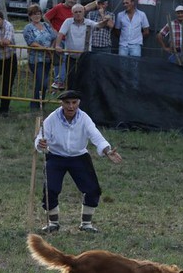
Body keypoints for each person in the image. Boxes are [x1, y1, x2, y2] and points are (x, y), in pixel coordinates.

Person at [34, 89, 122, 234]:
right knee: (50, 189)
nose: (71, 106)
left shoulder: (84, 118)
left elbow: (96, 136)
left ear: (79, 103)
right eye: (67, 103)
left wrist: (107, 151)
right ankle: (53, 223)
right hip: (56, 156)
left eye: (74, 103)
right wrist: (40, 144)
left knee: (92, 189)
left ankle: (86, 224)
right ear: (61, 103)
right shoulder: (52, 118)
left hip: (79, 156)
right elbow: (41, 137)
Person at [55, 4, 114, 89]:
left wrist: (106, 20)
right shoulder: (68, 21)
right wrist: (57, 45)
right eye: (76, 12)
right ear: (72, 13)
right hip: (71, 57)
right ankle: (71, 99)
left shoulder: (88, 22)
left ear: (83, 13)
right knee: (70, 79)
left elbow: (99, 25)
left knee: (84, 79)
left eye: (80, 12)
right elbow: (60, 34)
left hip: (85, 57)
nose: (78, 14)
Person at [23, 4, 57, 109]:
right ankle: (35, 104)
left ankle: (40, 102)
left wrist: (51, 47)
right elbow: (31, 42)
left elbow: (54, 36)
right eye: (34, 14)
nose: (37, 16)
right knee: (42, 80)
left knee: (43, 82)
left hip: (48, 59)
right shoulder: (28, 28)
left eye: (38, 14)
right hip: (36, 60)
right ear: (30, 16)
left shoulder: (46, 25)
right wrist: (45, 49)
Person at [44, 0, 77, 90]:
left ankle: (59, 82)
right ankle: (58, 82)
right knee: (58, 62)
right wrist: (52, 28)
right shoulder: (58, 7)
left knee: (64, 61)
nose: (72, 1)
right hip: (58, 38)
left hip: (68, 39)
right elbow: (45, 17)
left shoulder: (74, 10)